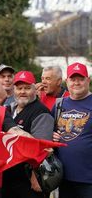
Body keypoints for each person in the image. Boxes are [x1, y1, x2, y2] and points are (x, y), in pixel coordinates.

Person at [2, 71, 54, 198]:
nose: (22, 92)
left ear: (35, 90)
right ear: (14, 90)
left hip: (28, 180)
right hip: (9, 175)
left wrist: (36, 176)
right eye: (19, 88)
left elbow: (43, 149)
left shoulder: (41, 112)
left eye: (27, 88)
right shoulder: (10, 108)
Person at [52, 62, 92, 198]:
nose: (77, 83)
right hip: (64, 178)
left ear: (88, 80)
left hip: (89, 179)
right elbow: (49, 133)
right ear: (66, 81)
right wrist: (52, 136)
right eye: (73, 79)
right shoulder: (59, 104)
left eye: (81, 79)